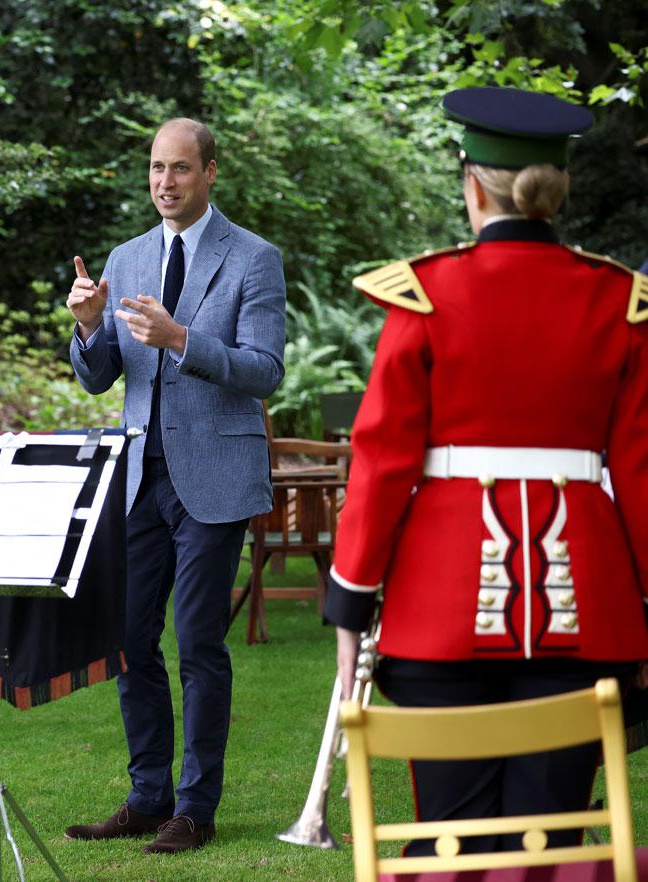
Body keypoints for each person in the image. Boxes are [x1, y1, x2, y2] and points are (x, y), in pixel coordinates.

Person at [325, 86, 648, 855]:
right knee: (553, 844)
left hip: (437, 616)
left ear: (473, 186)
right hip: (587, 616)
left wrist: (350, 600)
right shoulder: (620, 301)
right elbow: (639, 471)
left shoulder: (425, 295)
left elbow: (381, 460)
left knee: (450, 844)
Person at [63, 117, 286, 854]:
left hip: (216, 476)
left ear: (211, 172)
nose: (165, 182)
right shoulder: (126, 259)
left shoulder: (255, 259)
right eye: (157, 168)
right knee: (129, 641)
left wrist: (182, 340)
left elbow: (265, 370)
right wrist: (91, 328)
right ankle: (147, 794)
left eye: (181, 169)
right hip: (138, 479)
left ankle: (195, 808)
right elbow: (101, 378)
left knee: (196, 642)